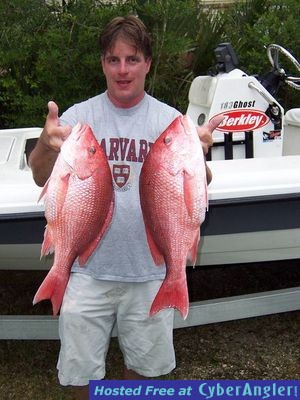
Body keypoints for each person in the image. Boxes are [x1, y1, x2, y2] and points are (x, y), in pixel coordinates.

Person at [29, 15, 221, 400]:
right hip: (85, 270)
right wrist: (47, 147)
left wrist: (200, 156)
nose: (122, 69)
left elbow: (201, 188)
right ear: (102, 62)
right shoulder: (77, 120)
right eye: (113, 59)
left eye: (132, 59)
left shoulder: (171, 122)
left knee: (146, 372)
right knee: (80, 375)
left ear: (148, 63)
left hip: (151, 272)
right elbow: (39, 175)